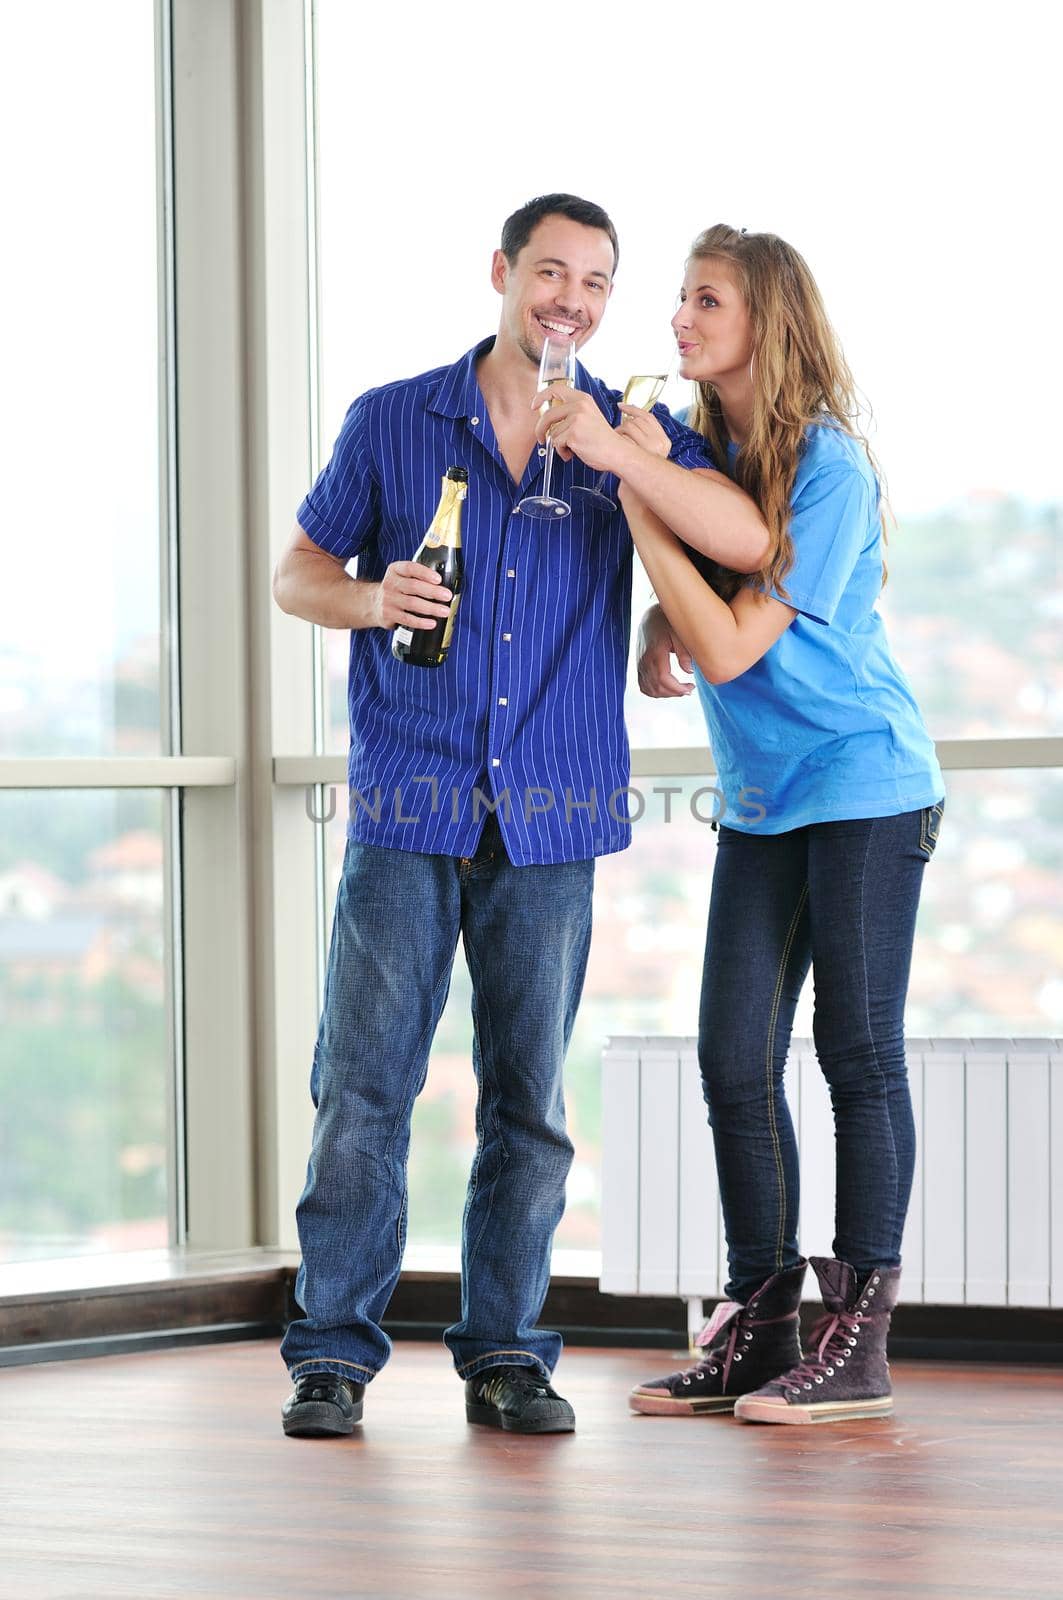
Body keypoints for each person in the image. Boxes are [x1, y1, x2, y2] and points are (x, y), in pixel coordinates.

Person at [272, 196, 768, 1439]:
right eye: (550, 272)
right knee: (362, 1091)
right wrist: (368, 596)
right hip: (407, 799)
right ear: (501, 272)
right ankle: (330, 1354)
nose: (571, 301)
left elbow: (738, 546)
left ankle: (506, 1354)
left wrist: (657, 601)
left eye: (595, 284)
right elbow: (296, 573)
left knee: (529, 1102)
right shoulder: (392, 421)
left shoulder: (630, 432)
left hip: (553, 810)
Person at [623, 225, 945, 1425]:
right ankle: (762, 1323)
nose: (680, 318)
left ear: (767, 319)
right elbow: (695, 623)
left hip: (864, 783)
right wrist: (661, 607)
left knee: (856, 1051)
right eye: (680, 298)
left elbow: (732, 641)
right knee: (730, 1058)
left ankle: (857, 1339)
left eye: (705, 299)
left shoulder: (828, 467)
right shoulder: (713, 455)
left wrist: (633, 491)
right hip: (765, 801)